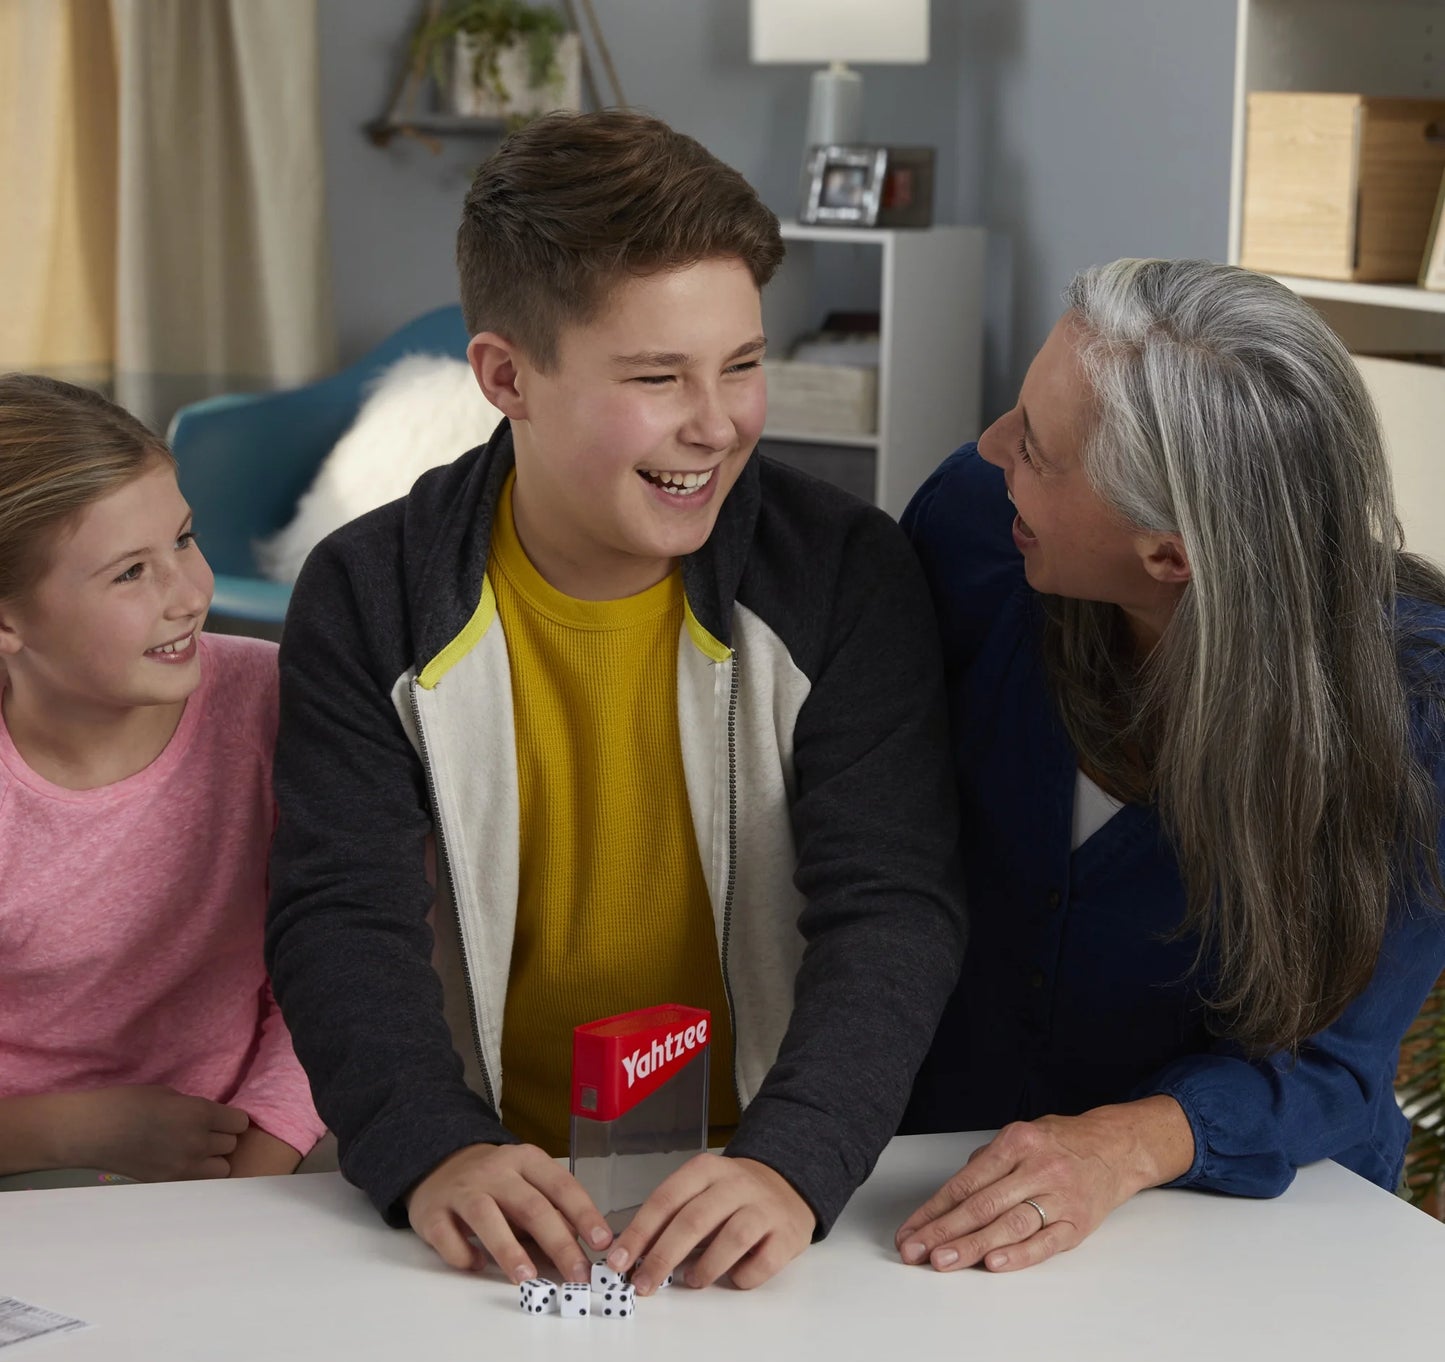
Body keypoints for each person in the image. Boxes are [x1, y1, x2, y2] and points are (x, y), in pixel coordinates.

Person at [266, 110, 964, 1294]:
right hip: (492, 1188)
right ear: (505, 377)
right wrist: (436, 1145)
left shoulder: (844, 571)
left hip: (768, 1177)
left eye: (741, 363)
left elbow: (892, 906)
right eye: (657, 377)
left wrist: (792, 1161)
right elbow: (340, 913)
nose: (718, 420)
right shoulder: (368, 591)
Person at [894, 256, 1445, 1275]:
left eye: (1038, 452)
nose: (987, 448)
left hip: (1264, 1241)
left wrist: (1123, 1143)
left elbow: (1333, 1060)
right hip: (937, 1196)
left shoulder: (1418, 714)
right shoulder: (974, 531)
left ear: (1169, 556)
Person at [0, 375, 325, 1186]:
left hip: (249, 1154)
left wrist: (258, 1163)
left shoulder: (279, 703)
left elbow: (339, 968)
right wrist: (72, 1131)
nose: (189, 594)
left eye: (183, 539)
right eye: (128, 573)